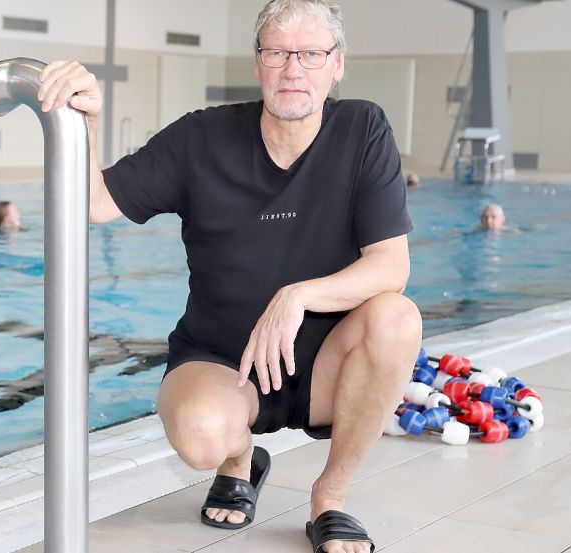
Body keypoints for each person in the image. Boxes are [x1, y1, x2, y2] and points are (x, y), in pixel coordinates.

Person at [38, 1, 421, 551]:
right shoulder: (201, 138)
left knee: (397, 318)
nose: (293, 69)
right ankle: (241, 459)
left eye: (311, 54)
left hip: (328, 367)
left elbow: (392, 266)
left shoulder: (362, 128)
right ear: (258, 62)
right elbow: (93, 202)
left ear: (337, 64)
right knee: (200, 437)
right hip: (224, 361)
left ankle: (330, 498)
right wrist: (85, 121)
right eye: (278, 52)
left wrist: (299, 296)